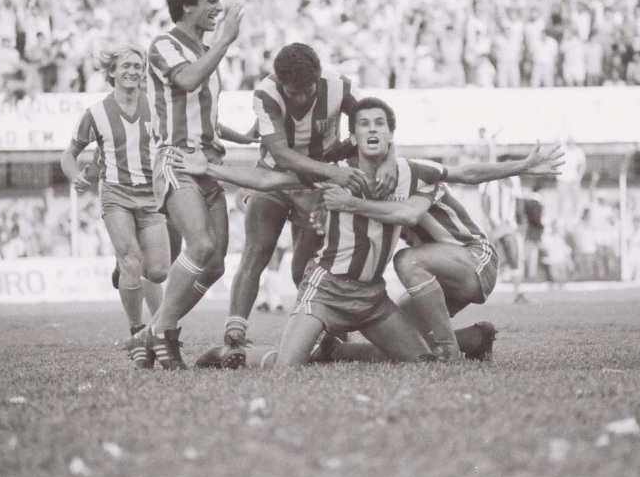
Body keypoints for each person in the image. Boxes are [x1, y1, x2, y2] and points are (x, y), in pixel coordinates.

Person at [168, 97, 439, 367]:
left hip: (373, 296)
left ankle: (336, 350)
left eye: (379, 124)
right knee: (286, 367)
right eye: (364, 124)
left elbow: (456, 174)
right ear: (353, 136)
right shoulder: (334, 173)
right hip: (326, 291)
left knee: (422, 360)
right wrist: (209, 168)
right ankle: (224, 354)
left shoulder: (409, 173)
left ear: (390, 134)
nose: (372, 129)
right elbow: (268, 179)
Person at [203, 43, 399, 369]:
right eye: (292, 93)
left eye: (307, 92)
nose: (300, 99)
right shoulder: (265, 94)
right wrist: (333, 172)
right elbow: (281, 154)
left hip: (318, 186)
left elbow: (374, 118)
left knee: (303, 270)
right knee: (257, 249)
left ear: (318, 78)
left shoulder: (340, 86)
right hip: (275, 176)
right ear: (281, 83)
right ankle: (234, 333)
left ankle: (332, 335)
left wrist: (390, 156)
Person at [309, 139, 564, 362]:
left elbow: (465, 175)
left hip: (474, 259)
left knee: (407, 260)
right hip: (436, 279)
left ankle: (448, 350)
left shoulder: (410, 173)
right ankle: (475, 338)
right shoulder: (366, 200)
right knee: (399, 343)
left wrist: (523, 166)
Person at [125, 0, 250, 371]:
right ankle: (165, 331)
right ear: (187, 5)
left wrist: (240, 137)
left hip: (209, 163)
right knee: (200, 246)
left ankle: (150, 332)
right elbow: (188, 81)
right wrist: (226, 39)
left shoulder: (202, 50)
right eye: (211, 0)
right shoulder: (164, 44)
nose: (220, 8)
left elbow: (200, 111)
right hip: (176, 158)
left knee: (214, 265)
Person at [60, 43, 170, 369]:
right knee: (133, 262)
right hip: (116, 195)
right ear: (112, 72)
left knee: (158, 271)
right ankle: (138, 332)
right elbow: (69, 154)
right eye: (126, 66)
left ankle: (125, 271)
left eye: (138, 66)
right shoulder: (95, 114)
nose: (133, 71)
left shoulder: (157, 106)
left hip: (151, 196)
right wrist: (75, 175)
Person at [481, 170, 527, 303]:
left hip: (509, 224)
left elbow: (519, 201)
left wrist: (522, 220)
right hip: (494, 224)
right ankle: (485, 292)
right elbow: (484, 200)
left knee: (514, 256)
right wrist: (489, 221)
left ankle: (517, 292)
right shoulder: (489, 179)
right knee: (491, 258)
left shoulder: (514, 179)